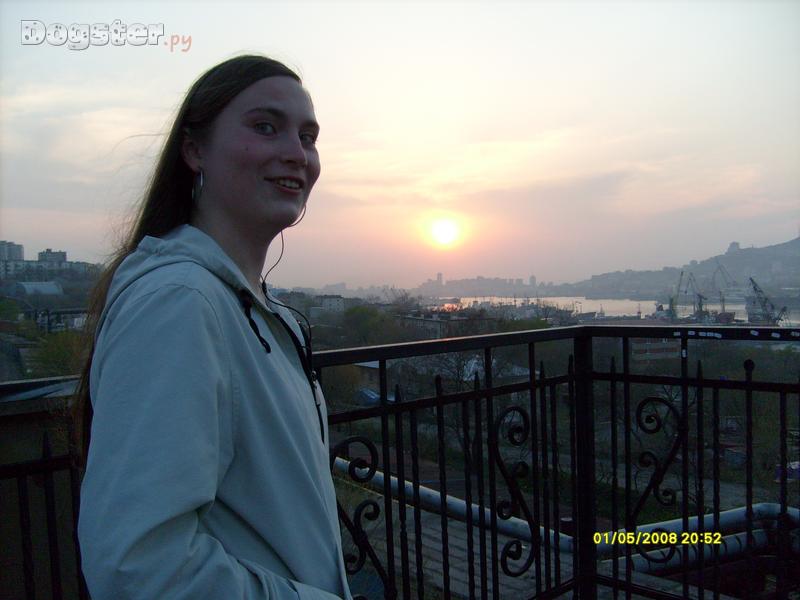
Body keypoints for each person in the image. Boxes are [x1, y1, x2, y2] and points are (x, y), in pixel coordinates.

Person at [74, 54, 352, 600]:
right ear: (194, 150)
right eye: (265, 126)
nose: (296, 153)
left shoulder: (251, 308)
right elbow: (139, 570)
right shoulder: (179, 303)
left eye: (308, 137)